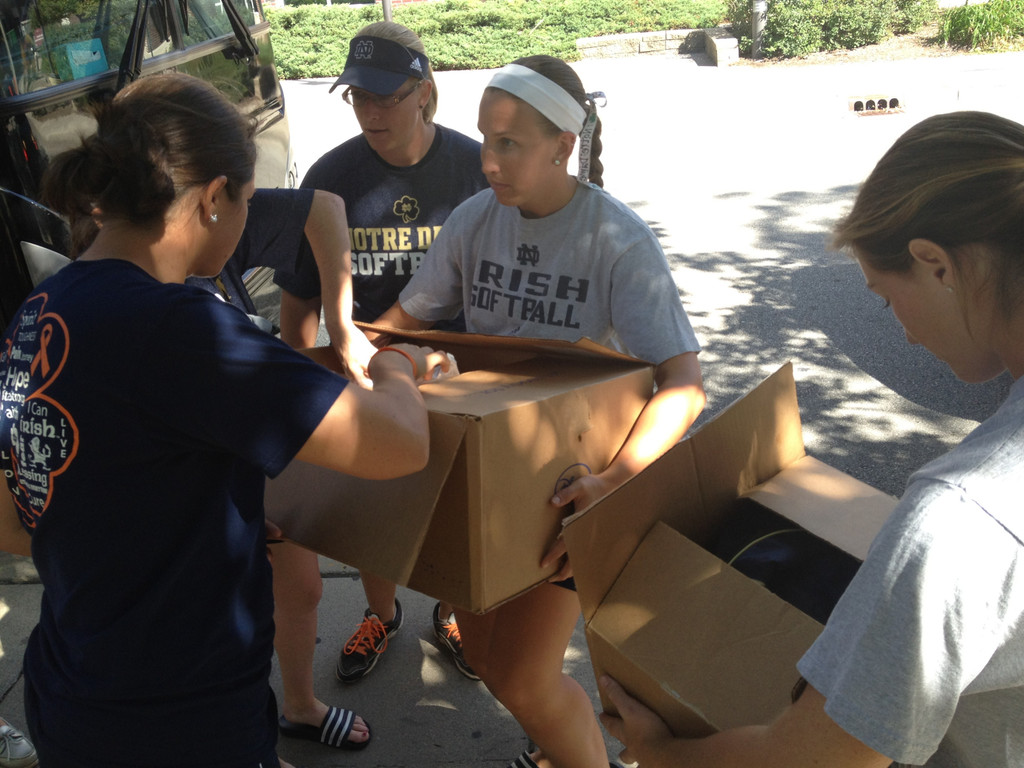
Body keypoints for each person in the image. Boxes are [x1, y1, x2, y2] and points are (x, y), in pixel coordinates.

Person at [0, 72, 450, 767]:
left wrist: (205, 524)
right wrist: (397, 363)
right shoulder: (182, 329)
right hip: (179, 716)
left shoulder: (39, 312)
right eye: (246, 199)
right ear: (214, 199)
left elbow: (23, 513)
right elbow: (397, 444)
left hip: (72, 688)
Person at [598, 110, 1024, 768]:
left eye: (885, 298)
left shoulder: (962, 517)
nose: (902, 330)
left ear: (936, 265)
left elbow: (809, 759)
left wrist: (661, 752)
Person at [372, 55, 706, 768]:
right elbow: (402, 323)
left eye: (509, 144)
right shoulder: (474, 220)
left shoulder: (616, 238)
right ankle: (560, 749)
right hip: (478, 477)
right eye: (484, 139)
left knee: (524, 677)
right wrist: (371, 354)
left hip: (570, 491)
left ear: (563, 144)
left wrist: (613, 483)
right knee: (491, 664)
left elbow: (683, 383)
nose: (488, 162)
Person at [271, 19, 489, 694]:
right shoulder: (332, 177)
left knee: (458, 511)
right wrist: (298, 391)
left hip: (459, 377)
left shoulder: (474, 168)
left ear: (424, 91)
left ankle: (452, 613)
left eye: (387, 96)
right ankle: (382, 614)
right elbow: (298, 297)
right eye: (359, 96)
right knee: (374, 510)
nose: (371, 111)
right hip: (366, 373)